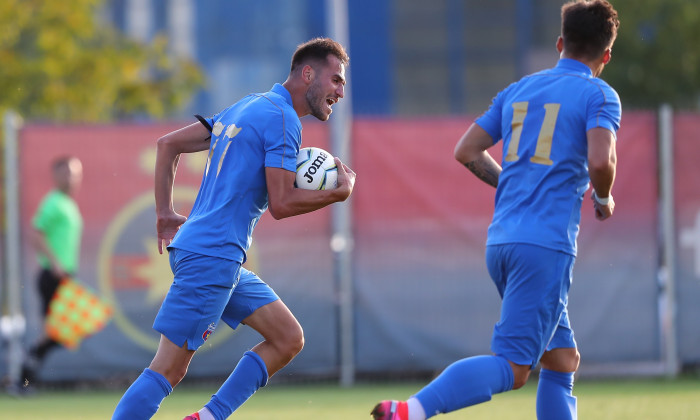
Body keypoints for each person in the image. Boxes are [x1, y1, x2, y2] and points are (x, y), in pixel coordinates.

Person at [371, 1, 620, 419]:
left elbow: (466, 150)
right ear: (606, 56)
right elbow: (600, 162)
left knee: (561, 360)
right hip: (545, 247)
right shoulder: (599, 94)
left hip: (502, 240)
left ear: (560, 43)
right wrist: (603, 197)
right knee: (515, 367)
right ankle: (410, 411)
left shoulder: (518, 89)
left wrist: (514, 184)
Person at [111, 37, 354, 420]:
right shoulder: (283, 119)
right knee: (167, 369)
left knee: (288, 338)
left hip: (212, 254)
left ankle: (208, 417)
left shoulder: (249, 105)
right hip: (213, 255)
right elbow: (282, 202)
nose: (341, 90)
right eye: (336, 80)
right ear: (308, 73)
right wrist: (338, 193)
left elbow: (166, 146)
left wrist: (164, 213)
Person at [21, 156, 84, 388]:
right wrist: (55, 263)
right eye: (67, 172)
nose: (72, 178)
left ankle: (26, 375)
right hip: (53, 275)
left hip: (65, 276)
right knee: (55, 333)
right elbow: (36, 233)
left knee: (64, 333)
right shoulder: (54, 202)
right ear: (56, 175)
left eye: (76, 173)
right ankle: (22, 380)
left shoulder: (69, 203)